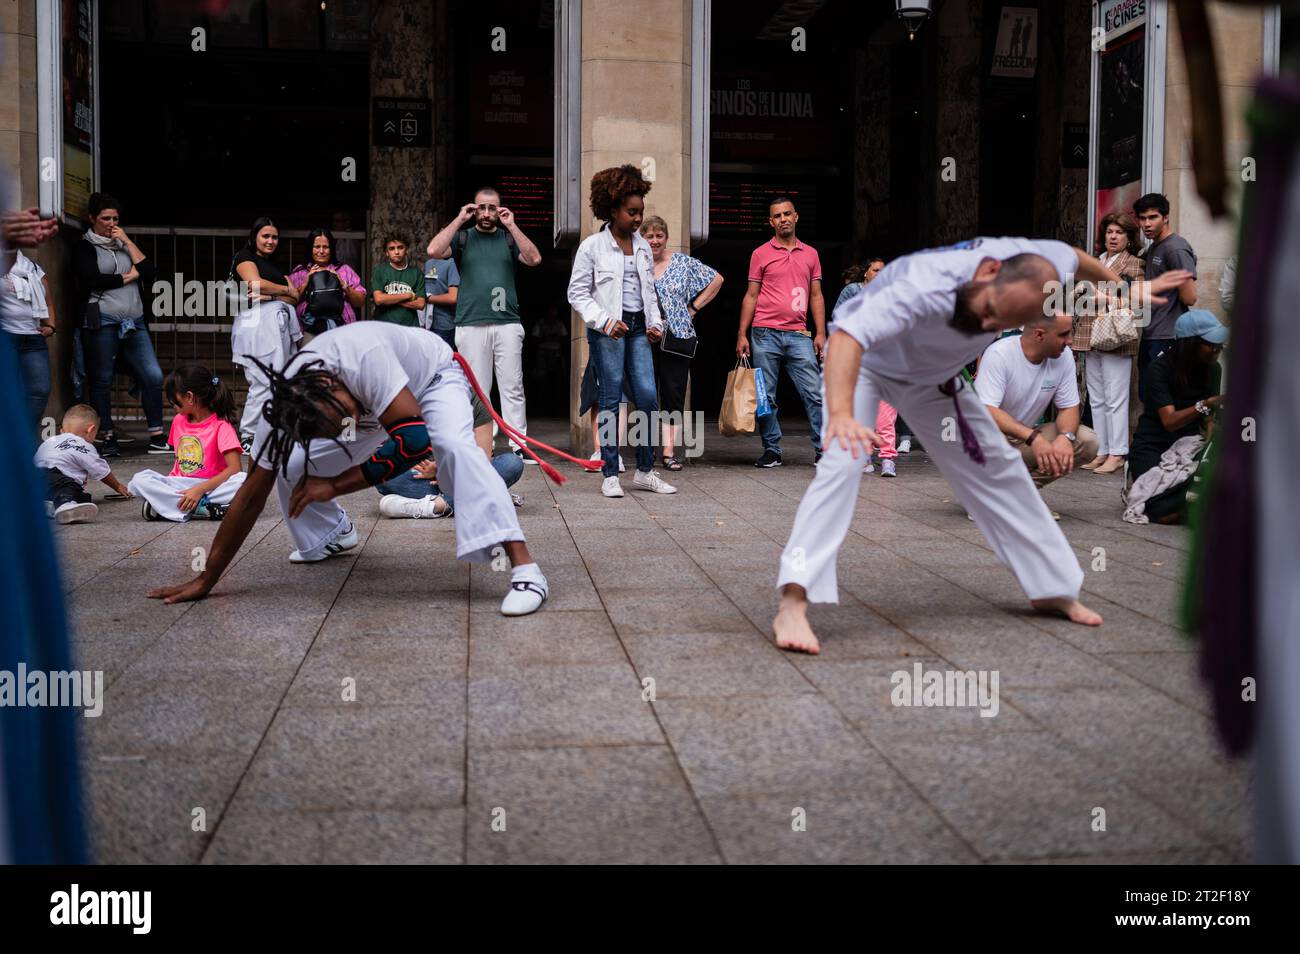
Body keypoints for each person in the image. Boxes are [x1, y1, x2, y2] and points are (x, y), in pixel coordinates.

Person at [769, 236, 1193, 654]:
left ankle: (1051, 588)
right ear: (989, 273)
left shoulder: (1032, 263)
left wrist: (1123, 290)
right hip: (865, 364)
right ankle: (793, 600)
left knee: (998, 468)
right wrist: (842, 415)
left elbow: (1075, 258)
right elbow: (847, 341)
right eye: (991, 312)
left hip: (934, 377)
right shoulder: (923, 285)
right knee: (842, 464)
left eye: (1000, 323)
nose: (990, 325)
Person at [147, 322, 549, 617]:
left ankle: (526, 569)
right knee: (287, 461)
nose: (348, 423)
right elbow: (251, 494)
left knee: (457, 449)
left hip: (431, 380)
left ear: (332, 381)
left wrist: (335, 484)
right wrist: (208, 577)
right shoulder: (280, 413)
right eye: (335, 425)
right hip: (375, 411)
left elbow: (412, 440)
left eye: (344, 414)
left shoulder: (362, 354)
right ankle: (332, 533)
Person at [566, 165, 676, 498]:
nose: (638, 218)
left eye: (641, 211)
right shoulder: (592, 247)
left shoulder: (643, 247)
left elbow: (648, 292)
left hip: (640, 328)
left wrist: (656, 323)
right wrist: (604, 321)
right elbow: (577, 292)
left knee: (647, 396)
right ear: (612, 209)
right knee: (611, 399)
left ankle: (645, 470)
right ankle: (610, 473)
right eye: (632, 212)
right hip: (608, 331)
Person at [427, 186, 542, 461]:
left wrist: (512, 225)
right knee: (478, 389)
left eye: (492, 208)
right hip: (470, 322)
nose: (487, 213)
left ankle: (519, 445)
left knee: (512, 386)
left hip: (507, 322)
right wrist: (459, 218)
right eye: (482, 207)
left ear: (500, 210)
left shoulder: (508, 238)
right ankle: (482, 445)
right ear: (474, 209)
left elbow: (535, 259)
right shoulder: (464, 237)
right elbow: (433, 249)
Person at [73, 193, 167, 456]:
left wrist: (125, 240)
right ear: (92, 219)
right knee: (101, 380)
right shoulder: (85, 246)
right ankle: (107, 436)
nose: (111, 223)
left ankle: (157, 436)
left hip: (133, 321)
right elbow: (92, 279)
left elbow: (149, 271)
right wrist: (129, 277)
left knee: (153, 375)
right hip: (102, 320)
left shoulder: (123, 243)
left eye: (115, 218)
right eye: (105, 219)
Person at [736, 196, 826, 468]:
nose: (783, 219)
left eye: (787, 213)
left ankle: (824, 450)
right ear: (771, 221)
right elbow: (751, 296)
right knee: (766, 396)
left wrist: (821, 333)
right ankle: (772, 450)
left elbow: (816, 296)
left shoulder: (810, 254)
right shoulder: (760, 254)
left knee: (814, 393)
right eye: (777, 215)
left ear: (796, 217)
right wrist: (742, 334)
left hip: (799, 334)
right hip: (764, 334)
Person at [975, 311, 1099, 497]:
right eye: (1063, 334)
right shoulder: (999, 354)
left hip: (1021, 439)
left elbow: (1068, 408)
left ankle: (1021, 496)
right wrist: (1034, 438)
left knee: (1087, 441)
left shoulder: (1063, 357)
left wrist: (1065, 437)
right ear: (1039, 334)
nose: (1070, 340)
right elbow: (987, 410)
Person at [1127, 310, 1226, 524]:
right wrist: (1206, 404)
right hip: (1152, 444)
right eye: (1210, 344)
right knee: (1159, 511)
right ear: (1190, 344)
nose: (1217, 350)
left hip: (1187, 443)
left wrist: (1211, 427)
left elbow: (1207, 417)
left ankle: (1185, 504)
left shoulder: (1213, 369)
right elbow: (1169, 421)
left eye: (1219, 345)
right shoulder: (1159, 369)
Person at [641, 214, 723, 470]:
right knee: (644, 395)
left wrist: (694, 308)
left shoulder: (682, 263)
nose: (654, 241)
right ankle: (646, 453)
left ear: (666, 238)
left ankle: (668, 453)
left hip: (677, 336)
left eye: (659, 236)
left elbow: (717, 279)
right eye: (649, 236)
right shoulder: (636, 263)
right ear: (642, 239)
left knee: (673, 394)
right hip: (644, 337)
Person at [377, 388, 524, 518]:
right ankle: (487, 497)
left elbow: (483, 463)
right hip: (428, 477)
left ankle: (437, 506)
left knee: (512, 464)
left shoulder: (477, 404)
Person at [129, 365, 247, 522]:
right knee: (138, 480)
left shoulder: (221, 426)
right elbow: (177, 463)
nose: (173, 406)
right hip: (179, 485)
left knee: (243, 480)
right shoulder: (178, 421)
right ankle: (201, 507)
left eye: (175, 402)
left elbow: (235, 469)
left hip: (210, 485)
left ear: (190, 397)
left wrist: (200, 489)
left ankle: (167, 507)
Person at [1075, 212, 1145, 475]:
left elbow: (1137, 302)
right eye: (1109, 232)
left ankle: (1118, 453)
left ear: (1128, 238)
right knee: (1097, 398)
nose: (1113, 237)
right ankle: (1102, 450)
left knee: (1116, 398)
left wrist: (1101, 298)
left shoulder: (1133, 264)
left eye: (1119, 232)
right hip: (1089, 334)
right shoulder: (1096, 261)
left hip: (1115, 334)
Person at [231, 217, 302, 448]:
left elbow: (296, 297)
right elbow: (254, 284)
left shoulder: (275, 268)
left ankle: (274, 432)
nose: (271, 241)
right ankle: (248, 435)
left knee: (280, 380)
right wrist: (285, 289)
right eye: (266, 236)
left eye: (274, 237)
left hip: (277, 327)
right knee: (261, 381)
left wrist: (272, 295)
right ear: (254, 237)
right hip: (255, 326)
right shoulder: (244, 257)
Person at [835, 256, 899, 477]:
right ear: (866, 273)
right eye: (875, 270)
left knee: (886, 414)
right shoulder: (853, 291)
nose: (880, 275)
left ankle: (888, 457)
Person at [1134, 193, 1198, 401]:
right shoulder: (1154, 247)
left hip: (1169, 335)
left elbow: (1190, 297)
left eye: (1153, 217)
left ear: (1166, 217)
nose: (1147, 224)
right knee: (1148, 397)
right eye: (1142, 219)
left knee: (1163, 400)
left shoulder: (1175, 247)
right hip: (1152, 333)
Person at [34, 404, 133, 524]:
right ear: (90, 430)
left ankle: (45, 504)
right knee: (70, 489)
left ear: (61, 430)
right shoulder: (83, 445)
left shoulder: (50, 440)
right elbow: (101, 471)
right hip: (60, 479)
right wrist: (118, 486)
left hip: (34, 477)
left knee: (82, 497)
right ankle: (65, 504)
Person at [1, 248, 55, 429]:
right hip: (6, 337)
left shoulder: (32, 268)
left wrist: (51, 326)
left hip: (33, 339)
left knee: (40, 389)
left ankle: (23, 432)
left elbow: (48, 301)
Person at [287, 227, 366, 339]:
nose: (321, 251)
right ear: (310, 248)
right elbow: (288, 302)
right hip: (307, 331)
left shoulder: (344, 270)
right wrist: (306, 283)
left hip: (341, 331)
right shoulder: (300, 273)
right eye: (317, 247)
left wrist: (343, 285)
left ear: (331, 249)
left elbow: (360, 302)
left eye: (325, 247)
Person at [369, 234, 426, 326]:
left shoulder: (416, 273)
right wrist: (408, 295)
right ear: (386, 252)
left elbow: (420, 304)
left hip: (410, 327)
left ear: (406, 250)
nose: (396, 252)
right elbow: (379, 299)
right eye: (391, 249)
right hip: (385, 326)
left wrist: (389, 299)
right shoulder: (379, 271)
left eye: (400, 247)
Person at [421, 253, 461, 351]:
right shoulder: (428, 263)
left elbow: (453, 297)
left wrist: (427, 298)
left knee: (445, 361)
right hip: (427, 324)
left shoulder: (451, 263)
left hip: (444, 325)